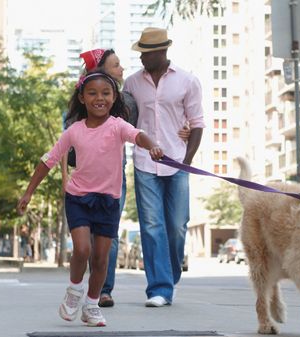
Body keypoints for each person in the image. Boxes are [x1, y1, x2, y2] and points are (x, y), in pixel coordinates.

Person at [17, 70, 164, 327]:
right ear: (82, 98)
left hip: (108, 201)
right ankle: (74, 291)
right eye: (92, 93)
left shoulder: (118, 126)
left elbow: (138, 135)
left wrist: (152, 145)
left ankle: (92, 305)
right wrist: (29, 192)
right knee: (83, 249)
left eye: (106, 93)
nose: (100, 98)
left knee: (101, 259)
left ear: (114, 97)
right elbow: (47, 161)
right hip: (79, 198)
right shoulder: (74, 131)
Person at [76, 48, 191, 308]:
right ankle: (104, 289)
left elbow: (142, 125)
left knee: (170, 226)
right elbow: (67, 137)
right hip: (89, 177)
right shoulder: (85, 98)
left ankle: (158, 280)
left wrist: (184, 129)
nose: (122, 68)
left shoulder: (125, 96)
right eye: (116, 65)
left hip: (119, 172)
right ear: (100, 70)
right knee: (117, 231)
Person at [124, 27, 205, 307]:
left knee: (177, 226)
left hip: (177, 162)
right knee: (151, 225)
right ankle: (159, 288)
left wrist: (188, 161)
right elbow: (126, 122)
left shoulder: (187, 81)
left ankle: (169, 278)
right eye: (141, 53)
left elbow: (197, 124)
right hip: (145, 162)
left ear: (162, 52)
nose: (142, 58)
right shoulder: (131, 84)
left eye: (147, 54)